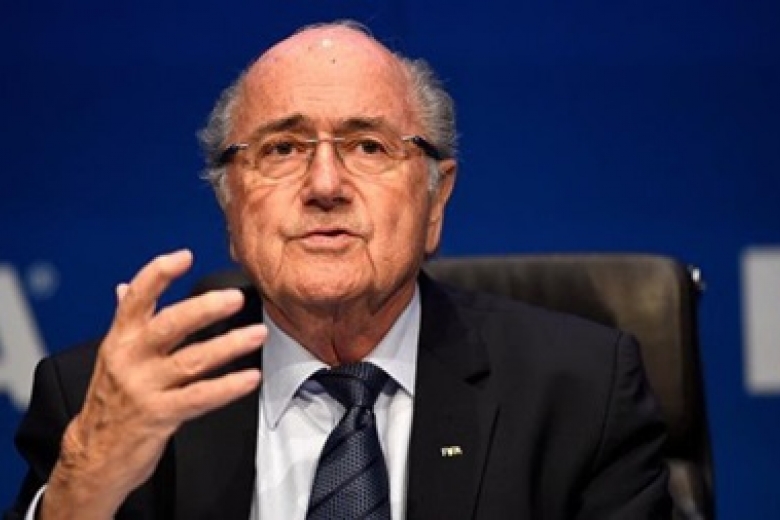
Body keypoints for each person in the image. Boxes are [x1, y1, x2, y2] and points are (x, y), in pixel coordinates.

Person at [5, 20, 671, 520]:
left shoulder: (580, 396)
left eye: (369, 146)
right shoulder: (105, 405)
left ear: (436, 200)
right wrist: (81, 487)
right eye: (282, 148)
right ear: (230, 206)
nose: (325, 184)